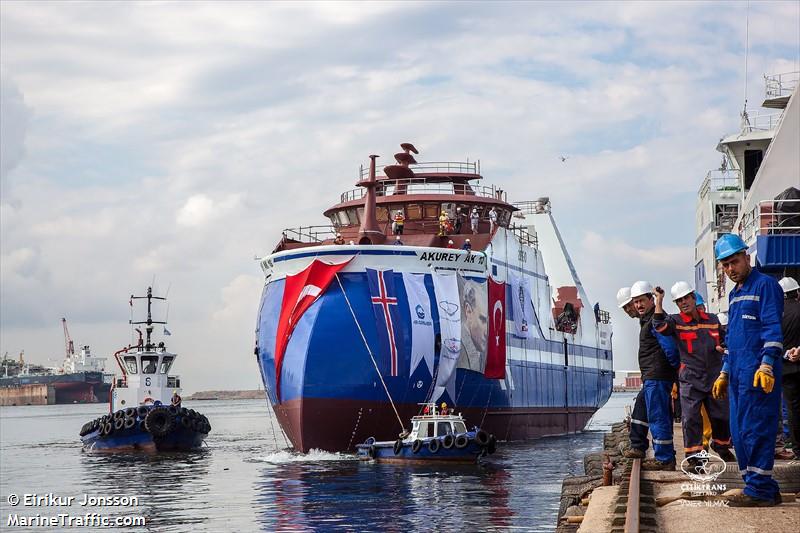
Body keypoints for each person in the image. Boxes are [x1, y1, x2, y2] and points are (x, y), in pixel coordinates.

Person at [711, 233, 784, 506]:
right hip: (737, 376)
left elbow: (772, 330)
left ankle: (759, 491)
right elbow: (733, 339)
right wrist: (724, 371)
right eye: (726, 265)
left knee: (756, 430)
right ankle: (763, 486)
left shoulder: (766, 286)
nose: (731, 269)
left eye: (734, 262)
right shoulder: (734, 294)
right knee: (739, 433)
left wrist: (766, 365)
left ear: (746, 257)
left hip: (757, 374)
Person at [653, 282, 734, 463]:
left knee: (721, 415)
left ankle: (721, 446)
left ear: (693, 297)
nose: (683, 302)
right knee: (690, 418)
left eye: (686, 298)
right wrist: (659, 300)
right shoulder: (675, 321)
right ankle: (694, 456)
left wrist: (724, 349)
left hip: (714, 377)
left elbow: (726, 340)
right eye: (679, 301)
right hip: (690, 378)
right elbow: (659, 326)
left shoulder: (712, 320)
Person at [619, 285, 679, 465]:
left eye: (641, 301)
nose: (638, 305)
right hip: (651, 376)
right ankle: (638, 446)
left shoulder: (655, 319)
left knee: (658, 415)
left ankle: (664, 459)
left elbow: (670, 348)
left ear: (651, 300)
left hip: (658, 375)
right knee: (642, 409)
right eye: (635, 302)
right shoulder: (647, 319)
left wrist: (676, 368)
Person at [779, 276, 800, 459]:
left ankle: (797, 450)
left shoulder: (776, 314)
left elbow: (770, 342)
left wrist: (787, 354)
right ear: (797, 293)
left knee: (792, 410)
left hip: (785, 369)